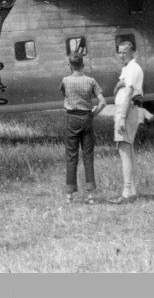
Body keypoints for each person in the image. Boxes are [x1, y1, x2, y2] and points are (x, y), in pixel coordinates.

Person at [59, 52, 106, 204]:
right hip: (87, 118)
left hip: (71, 118)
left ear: (69, 66)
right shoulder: (91, 80)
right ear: (83, 65)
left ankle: (69, 195)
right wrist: (93, 114)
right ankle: (91, 194)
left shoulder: (65, 80)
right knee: (88, 156)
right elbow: (103, 102)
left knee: (71, 157)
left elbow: (64, 96)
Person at [109, 41, 144, 204]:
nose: (121, 55)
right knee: (127, 150)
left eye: (124, 52)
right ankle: (132, 191)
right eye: (119, 52)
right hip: (126, 110)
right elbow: (124, 85)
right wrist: (119, 84)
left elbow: (129, 92)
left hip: (127, 110)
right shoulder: (128, 68)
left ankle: (127, 193)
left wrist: (122, 116)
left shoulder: (133, 68)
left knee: (124, 150)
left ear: (132, 52)